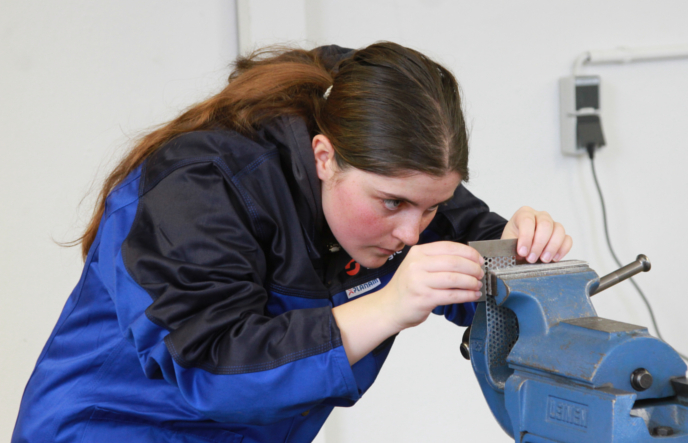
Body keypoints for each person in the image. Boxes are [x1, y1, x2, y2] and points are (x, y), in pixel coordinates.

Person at [12, 42, 572, 442]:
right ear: (324, 156)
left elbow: (466, 243)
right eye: (393, 204)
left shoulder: (388, 180)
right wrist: (387, 305)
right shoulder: (199, 188)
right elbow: (215, 366)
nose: (411, 233)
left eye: (430, 205)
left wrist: (515, 246)